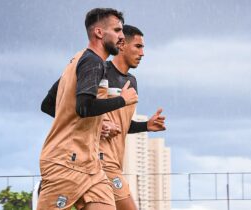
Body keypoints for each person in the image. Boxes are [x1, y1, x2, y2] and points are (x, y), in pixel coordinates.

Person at [41, 25, 166, 210]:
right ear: (122, 44)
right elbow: (51, 105)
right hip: (96, 160)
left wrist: (145, 125)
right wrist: (98, 126)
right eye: (138, 46)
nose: (143, 53)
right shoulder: (95, 68)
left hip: (107, 164)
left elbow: (120, 125)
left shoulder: (132, 82)